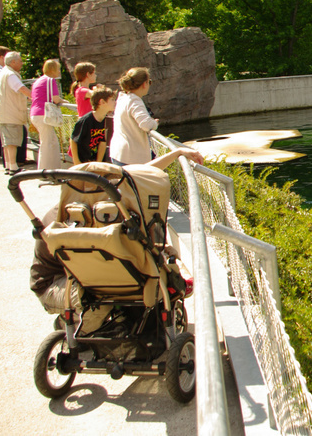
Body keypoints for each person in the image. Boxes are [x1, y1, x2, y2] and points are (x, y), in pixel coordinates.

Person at [29, 148, 205, 332]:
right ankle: (74, 328)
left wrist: (175, 154)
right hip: (56, 282)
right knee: (101, 297)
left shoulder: (98, 209)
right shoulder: (67, 217)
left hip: (81, 274)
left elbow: (137, 175)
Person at [0, 51, 32, 175]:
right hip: (11, 113)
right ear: (13, 62)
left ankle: (10, 166)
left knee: (7, 142)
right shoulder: (11, 74)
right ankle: (14, 167)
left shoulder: (5, 73)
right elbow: (21, 88)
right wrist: (34, 97)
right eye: (20, 61)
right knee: (12, 141)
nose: (22, 63)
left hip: (4, 113)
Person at [110, 67, 159, 165]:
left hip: (118, 152)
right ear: (144, 84)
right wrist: (155, 123)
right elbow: (146, 124)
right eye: (149, 82)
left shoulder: (122, 98)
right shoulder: (134, 101)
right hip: (130, 157)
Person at [30, 59, 67, 171]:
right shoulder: (50, 80)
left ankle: (51, 169)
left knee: (50, 142)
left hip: (36, 113)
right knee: (48, 143)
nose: (59, 72)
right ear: (53, 69)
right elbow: (55, 99)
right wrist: (65, 102)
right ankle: (45, 171)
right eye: (58, 69)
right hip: (43, 114)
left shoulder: (38, 81)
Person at [70, 86, 115, 165]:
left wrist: (98, 163)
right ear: (102, 102)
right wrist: (76, 161)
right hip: (83, 161)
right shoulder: (86, 120)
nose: (115, 102)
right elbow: (73, 140)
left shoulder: (105, 120)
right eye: (112, 99)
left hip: (95, 162)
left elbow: (102, 142)